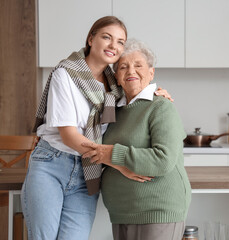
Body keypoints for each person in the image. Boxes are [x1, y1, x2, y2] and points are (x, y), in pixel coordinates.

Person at [21, 16, 171, 240]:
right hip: (51, 165)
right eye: (107, 37)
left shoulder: (115, 85)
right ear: (91, 39)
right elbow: (70, 136)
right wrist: (118, 164)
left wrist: (159, 92)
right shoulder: (65, 74)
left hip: (87, 171)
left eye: (120, 41)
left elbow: (136, 92)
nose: (114, 46)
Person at [82, 38, 191, 240]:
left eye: (138, 65)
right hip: (121, 211)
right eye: (123, 67)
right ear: (116, 76)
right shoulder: (112, 110)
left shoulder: (161, 107)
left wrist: (113, 153)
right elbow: (98, 152)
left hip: (157, 209)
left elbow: (163, 159)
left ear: (151, 73)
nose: (131, 71)